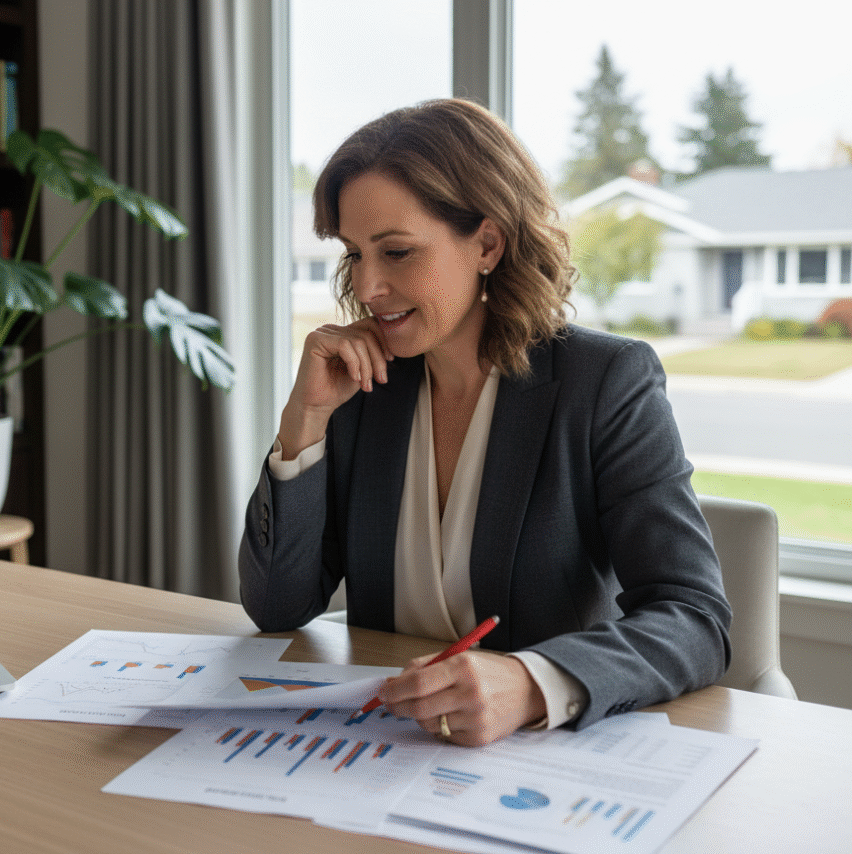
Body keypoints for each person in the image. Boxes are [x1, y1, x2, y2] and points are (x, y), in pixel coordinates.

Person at [238, 98, 731, 747]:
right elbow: (277, 608)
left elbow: (695, 619)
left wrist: (532, 682)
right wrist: (303, 423)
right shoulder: (364, 384)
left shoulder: (604, 383)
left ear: (488, 244)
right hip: (388, 745)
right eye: (355, 254)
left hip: (540, 755)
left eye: (397, 252)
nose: (369, 286)